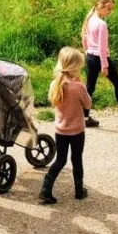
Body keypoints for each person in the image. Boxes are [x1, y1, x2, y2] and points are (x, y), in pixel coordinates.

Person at [39, 47, 91, 205]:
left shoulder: (55, 84)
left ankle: (46, 189)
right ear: (75, 68)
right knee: (76, 159)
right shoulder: (78, 87)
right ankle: (79, 191)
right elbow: (88, 104)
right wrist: (81, 85)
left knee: (60, 160)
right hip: (76, 131)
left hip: (60, 131)